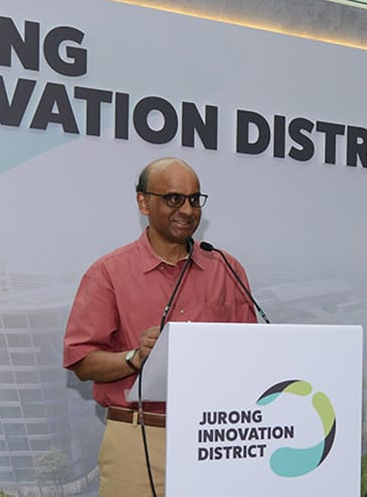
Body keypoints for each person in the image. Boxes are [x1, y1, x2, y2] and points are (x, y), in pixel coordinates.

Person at [63, 157, 259, 496]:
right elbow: (81, 361)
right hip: (139, 441)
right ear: (143, 202)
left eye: (194, 200)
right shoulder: (108, 272)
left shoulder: (226, 268)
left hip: (218, 438)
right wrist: (134, 358)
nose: (187, 209)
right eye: (173, 199)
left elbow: (250, 355)